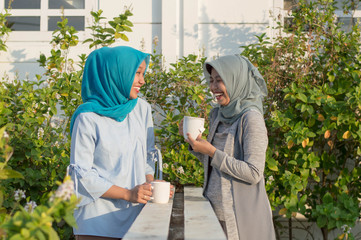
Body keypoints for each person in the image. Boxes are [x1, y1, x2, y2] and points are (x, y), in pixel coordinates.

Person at [68, 46, 166, 240]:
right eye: (137, 73)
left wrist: (151, 185)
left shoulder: (142, 109)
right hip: (97, 223)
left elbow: (147, 155)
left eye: (143, 73)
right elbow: (81, 175)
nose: (142, 81)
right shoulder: (88, 117)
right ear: (115, 73)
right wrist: (128, 194)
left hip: (138, 219)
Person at [179, 54, 276, 240]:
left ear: (235, 80)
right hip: (212, 212)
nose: (213, 87)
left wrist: (211, 151)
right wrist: (194, 144)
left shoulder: (251, 119)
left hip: (239, 219)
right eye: (211, 80)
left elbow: (254, 172)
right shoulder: (218, 114)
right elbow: (215, 163)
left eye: (220, 80)